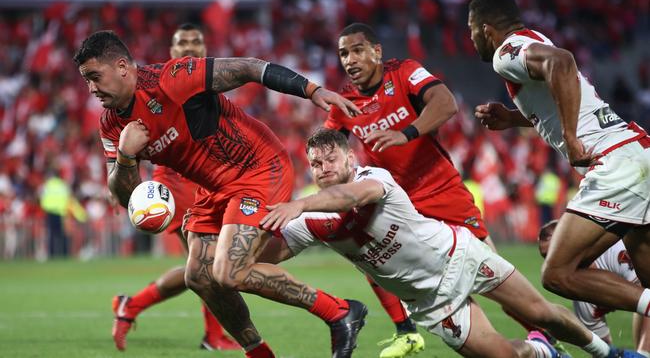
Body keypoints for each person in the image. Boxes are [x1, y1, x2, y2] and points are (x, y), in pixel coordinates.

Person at [74, 30, 366, 358]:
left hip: (257, 167)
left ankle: (340, 312)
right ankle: (259, 353)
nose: (92, 89)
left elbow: (249, 67)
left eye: (95, 77)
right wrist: (127, 157)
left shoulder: (171, 79)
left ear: (123, 66)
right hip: (214, 188)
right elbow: (124, 193)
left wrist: (311, 90)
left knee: (229, 272)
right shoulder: (111, 125)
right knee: (199, 276)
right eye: (86, 80)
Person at [258, 128, 641, 358]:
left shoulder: (373, 176)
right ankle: (540, 350)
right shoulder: (311, 220)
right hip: (430, 301)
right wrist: (236, 242)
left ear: (349, 158)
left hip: (458, 254)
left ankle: (607, 353)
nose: (324, 169)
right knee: (504, 356)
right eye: (316, 164)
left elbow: (354, 197)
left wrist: (300, 202)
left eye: (331, 159)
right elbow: (269, 254)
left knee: (540, 311)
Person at [468, 0, 650, 319]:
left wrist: (570, 137)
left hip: (614, 164)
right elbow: (562, 95)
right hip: (637, 152)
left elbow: (562, 61)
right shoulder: (535, 38)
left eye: (470, 31)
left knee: (558, 273)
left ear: (486, 30)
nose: (471, 40)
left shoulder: (505, 53)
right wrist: (513, 117)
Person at [323, 22, 491, 358]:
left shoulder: (404, 73)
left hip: (439, 190)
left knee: (490, 276)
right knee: (365, 248)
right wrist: (324, 164)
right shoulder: (346, 103)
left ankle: (543, 333)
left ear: (377, 51)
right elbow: (328, 145)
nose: (350, 59)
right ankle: (406, 332)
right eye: (344, 53)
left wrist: (407, 133)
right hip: (397, 202)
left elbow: (445, 104)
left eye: (357, 50)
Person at [110, 23, 239, 352]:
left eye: (196, 42)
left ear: (205, 49)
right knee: (206, 264)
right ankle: (212, 336)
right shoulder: (161, 85)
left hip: (207, 178)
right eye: (182, 43)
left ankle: (132, 305)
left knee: (202, 266)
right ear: (172, 52)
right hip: (177, 180)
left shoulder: (209, 83)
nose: (190, 48)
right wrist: (121, 176)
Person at [538, 220, 650, 357]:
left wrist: (643, 353)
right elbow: (604, 350)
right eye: (546, 256)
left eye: (555, 251)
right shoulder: (582, 301)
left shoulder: (617, 251)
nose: (552, 260)